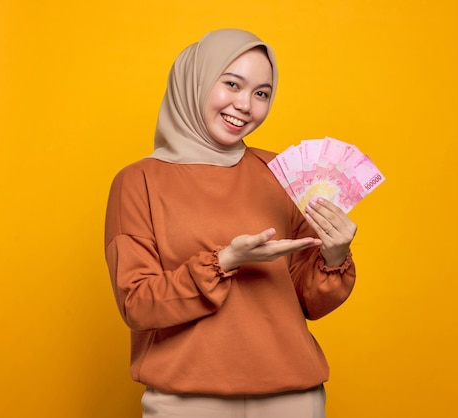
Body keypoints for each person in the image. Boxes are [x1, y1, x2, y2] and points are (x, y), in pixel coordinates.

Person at [104, 28, 357, 418]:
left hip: (292, 398)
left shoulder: (282, 172)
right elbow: (137, 304)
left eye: (261, 93)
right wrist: (224, 262)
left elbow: (311, 302)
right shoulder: (138, 181)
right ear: (197, 81)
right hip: (187, 400)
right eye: (232, 84)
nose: (245, 105)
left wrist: (334, 254)